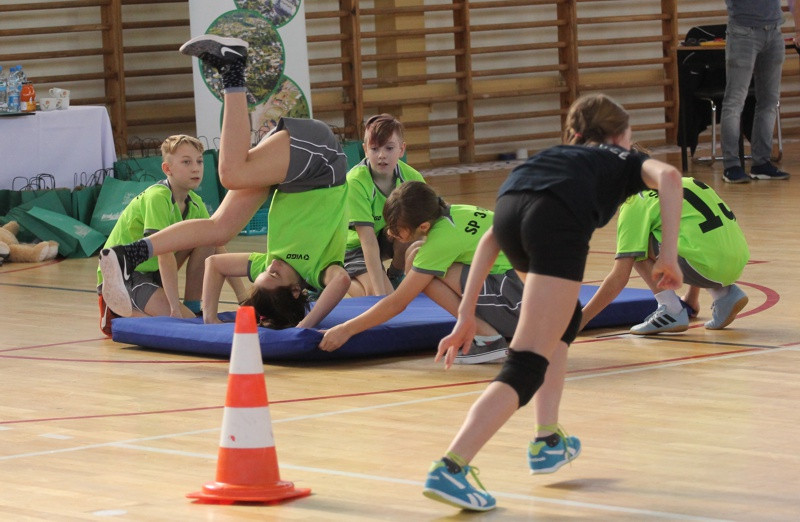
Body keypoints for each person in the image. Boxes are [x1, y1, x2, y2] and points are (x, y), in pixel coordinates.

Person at [421, 93, 684, 512]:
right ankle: (452, 466)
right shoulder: (623, 159)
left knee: (566, 319)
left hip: (510, 209)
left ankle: (548, 439)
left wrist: (466, 314)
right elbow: (670, 178)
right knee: (525, 361)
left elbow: (490, 238)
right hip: (554, 220)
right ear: (620, 135)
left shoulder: (553, 156)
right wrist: (667, 256)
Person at [99, 35, 351, 329]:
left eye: (266, 273)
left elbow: (215, 262)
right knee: (232, 174)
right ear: (297, 290)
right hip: (322, 163)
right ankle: (233, 67)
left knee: (219, 231)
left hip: (292, 177)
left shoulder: (267, 263)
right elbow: (342, 281)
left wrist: (210, 317)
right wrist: (305, 325)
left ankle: (129, 253)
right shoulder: (320, 271)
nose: (272, 266)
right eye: (275, 275)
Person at [319, 181, 518, 365]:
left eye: (396, 229)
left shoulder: (440, 242)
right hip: (528, 291)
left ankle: (488, 339)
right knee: (418, 255)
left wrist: (346, 329)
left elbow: (397, 303)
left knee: (422, 271)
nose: (390, 233)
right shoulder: (457, 211)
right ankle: (488, 332)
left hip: (517, 297)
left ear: (423, 226)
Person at [96, 135, 246, 336]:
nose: (196, 168)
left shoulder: (195, 201)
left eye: (199, 161)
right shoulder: (158, 197)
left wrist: (243, 296)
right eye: (186, 162)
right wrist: (174, 308)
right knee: (181, 323)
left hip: (153, 273)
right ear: (167, 169)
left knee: (208, 239)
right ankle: (115, 313)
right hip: (126, 274)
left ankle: (192, 306)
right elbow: (163, 253)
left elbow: (218, 245)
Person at [580, 177, 750, 335]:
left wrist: (581, 320)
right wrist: (691, 299)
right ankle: (723, 293)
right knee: (682, 234)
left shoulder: (634, 202)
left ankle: (671, 309)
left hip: (705, 264)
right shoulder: (682, 181)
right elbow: (693, 235)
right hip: (737, 258)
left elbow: (619, 277)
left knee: (636, 247)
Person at [345, 113, 425, 296]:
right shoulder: (355, 182)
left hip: (384, 237)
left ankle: (395, 275)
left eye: (389, 148)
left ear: (401, 149)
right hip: (352, 247)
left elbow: (428, 228)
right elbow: (368, 242)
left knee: (415, 229)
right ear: (365, 150)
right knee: (378, 294)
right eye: (374, 149)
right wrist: (381, 296)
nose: (382, 156)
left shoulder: (412, 178)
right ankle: (336, 278)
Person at [720, 0, 799, 183]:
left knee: (769, 101)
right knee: (734, 101)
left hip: (773, 30)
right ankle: (731, 165)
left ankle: (761, 163)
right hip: (743, 31)